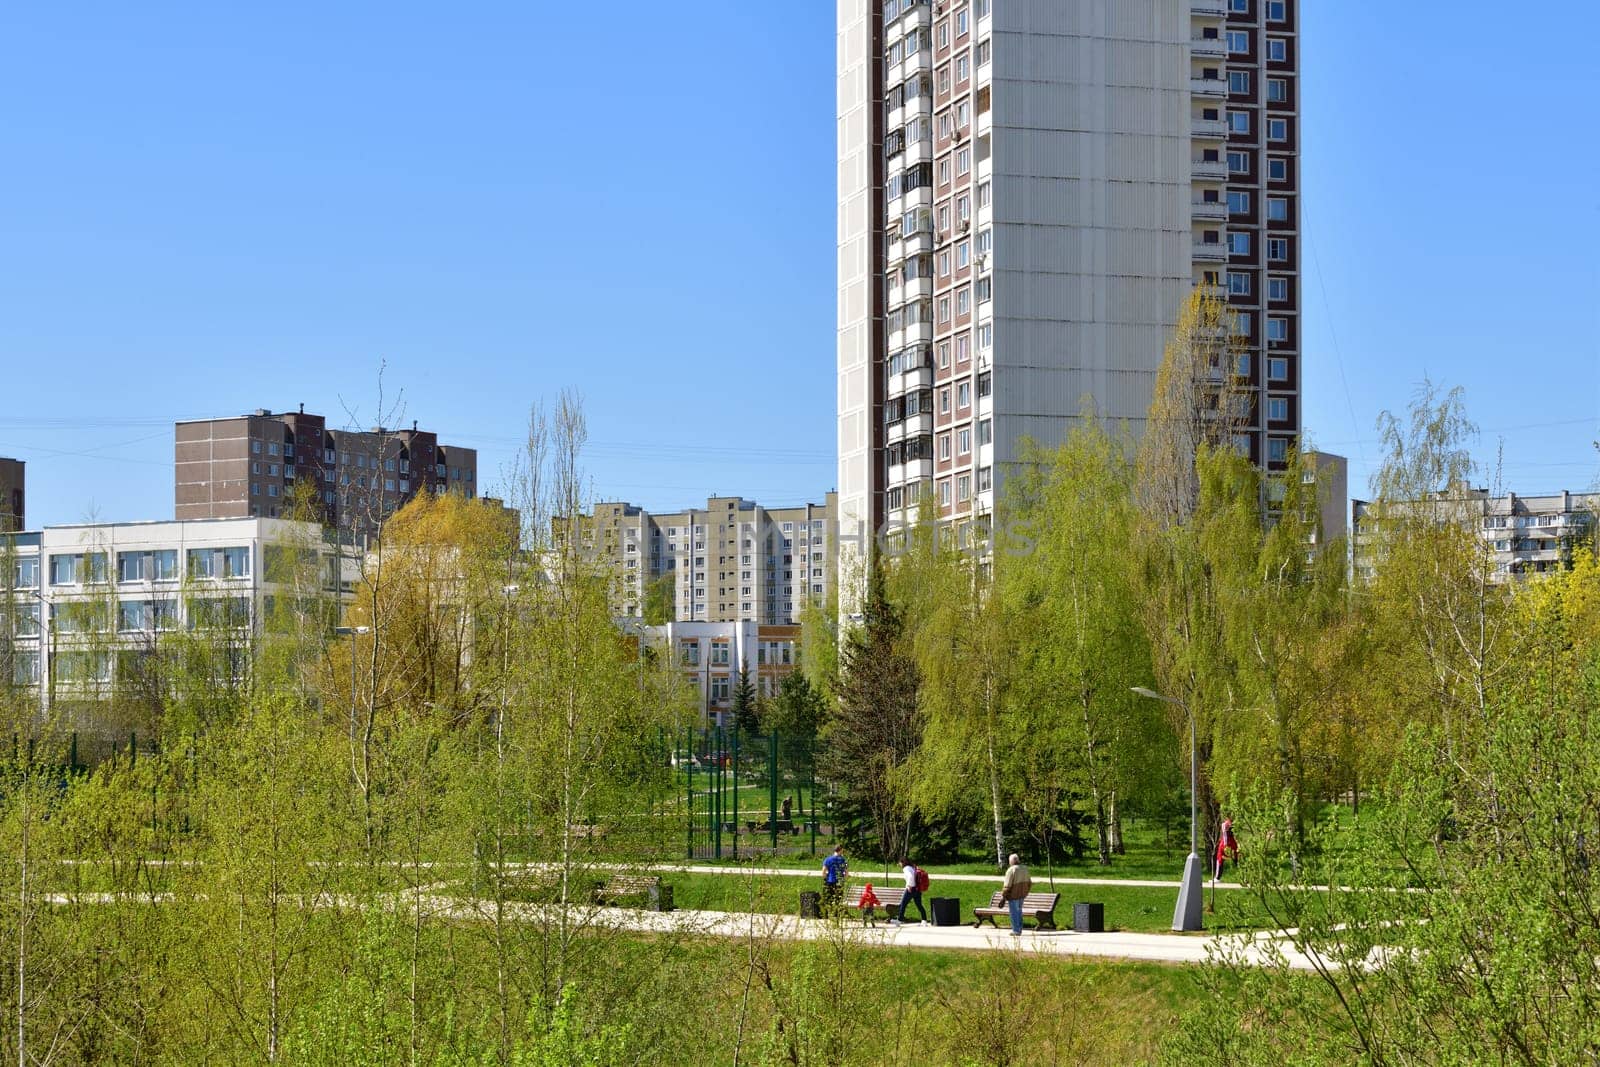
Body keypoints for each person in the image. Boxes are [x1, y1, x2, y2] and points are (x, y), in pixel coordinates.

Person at [1002, 853, 1031, 936]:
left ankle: (1016, 930)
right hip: (1022, 894)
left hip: (1013, 895)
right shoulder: (1025, 869)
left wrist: (1004, 896)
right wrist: (1025, 892)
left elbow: (1007, 885)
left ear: (1011, 861)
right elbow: (1029, 882)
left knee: (1014, 912)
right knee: (1019, 912)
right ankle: (1020, 928)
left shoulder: (1011, 870)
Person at [892, 856, 928, 924]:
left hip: (911, 889)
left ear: (902, 862)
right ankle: (924, 920)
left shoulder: (906, 868)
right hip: (917, 889)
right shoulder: (912, 867)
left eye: (899, 863)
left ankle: (900, 920)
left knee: (903, 904)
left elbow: (910, 877)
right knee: (919, 905)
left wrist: (909, 885)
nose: (899, 864)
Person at [821, 845, 848, 913]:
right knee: (838, 898)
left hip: (830, 881)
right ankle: (837, 913)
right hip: (839, 881)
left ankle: (828, 912)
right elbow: (846, 873)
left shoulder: (828, 859)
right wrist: (843, 879)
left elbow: (823, 872)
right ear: (840, 850)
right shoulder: (843, 860)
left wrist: (825, 878)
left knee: (829, 898)